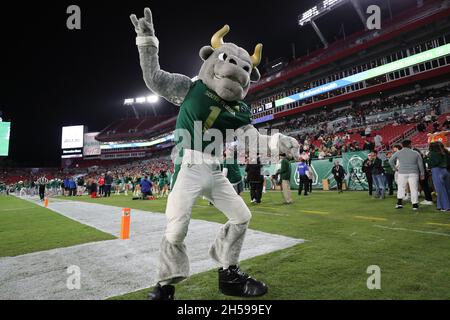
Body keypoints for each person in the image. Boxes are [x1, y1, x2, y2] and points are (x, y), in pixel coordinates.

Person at [389, 140, 425, 211]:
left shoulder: (398, 152)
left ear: (402, 145)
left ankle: (399, 203)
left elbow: (390, 161)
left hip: (402, 172)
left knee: (401, 187)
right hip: (413, 172)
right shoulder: (416, 153)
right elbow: (420, 164)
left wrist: (395, 168)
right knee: (414, 188)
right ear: (409, 144)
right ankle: (415, 205)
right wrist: (422, 173)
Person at [427, 142, 450, 212]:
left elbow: (432, 163)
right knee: (447, 189)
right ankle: (440, 205)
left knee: (440, 191)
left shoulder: (432, 153)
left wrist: (427, 159)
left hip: (437, 171)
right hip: (446, 171)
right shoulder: (446, 152)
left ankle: (446, 207)